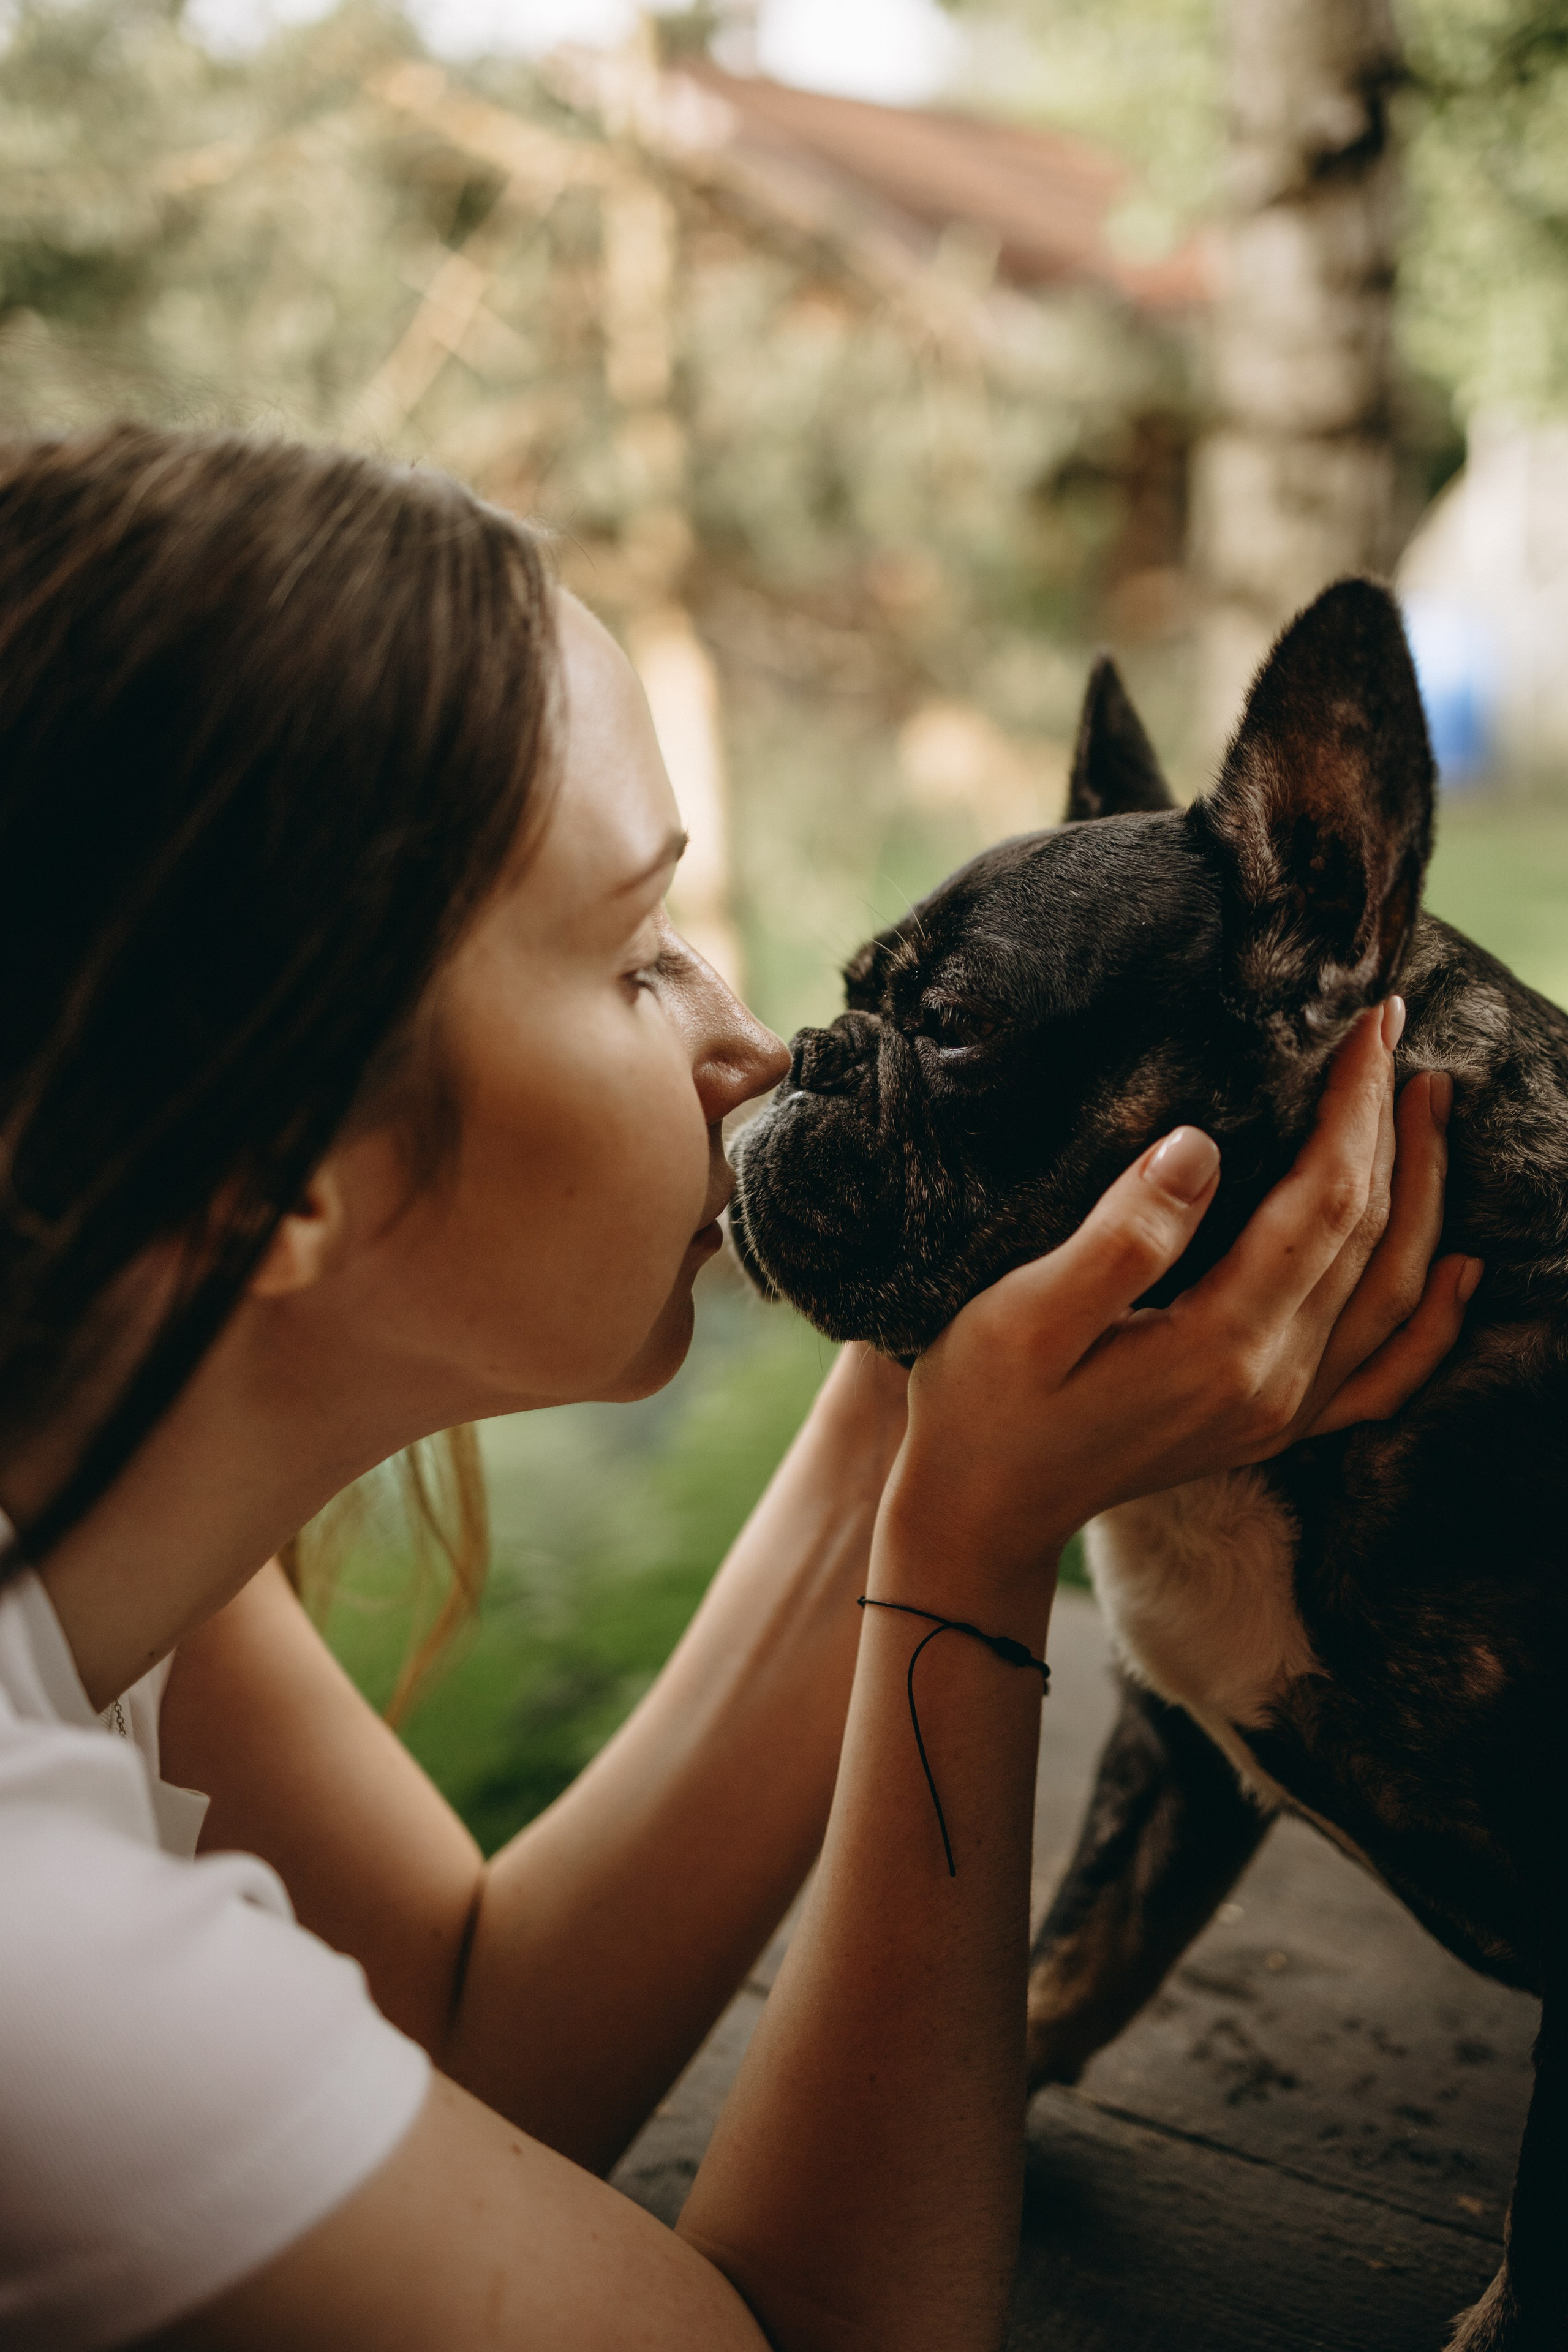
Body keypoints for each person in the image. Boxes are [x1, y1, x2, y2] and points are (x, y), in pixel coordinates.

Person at [0, 426, 1477, 2352]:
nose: (752, 1037)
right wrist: (974, 1544)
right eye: (632, 959)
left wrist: (951, 1332)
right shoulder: (44, 1974)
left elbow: (461, 2030)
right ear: (262, 1168)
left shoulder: (95, 1471)